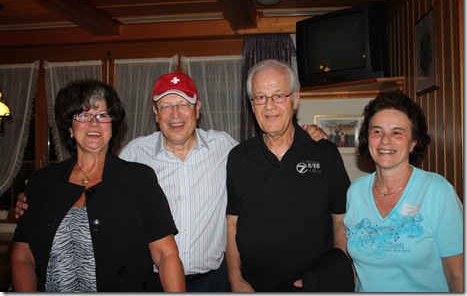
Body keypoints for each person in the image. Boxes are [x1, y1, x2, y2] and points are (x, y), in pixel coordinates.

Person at [15, 72, 327, 292]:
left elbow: (269, 151)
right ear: (155, 113)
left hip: (216, 282)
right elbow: (89, 180)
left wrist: (306, 136)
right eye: (166, 105)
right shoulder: (134, 157)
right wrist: (34, 201)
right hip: (148, 281)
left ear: (198, 109)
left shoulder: (227, 148)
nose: (175, 113)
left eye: (183, 104)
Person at [11, 79, 185, 292]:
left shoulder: (139, 179)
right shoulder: (42, 182)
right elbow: (23, 257)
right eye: (83, 115)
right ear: (70, 128)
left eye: (103, 116)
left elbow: (166, 255)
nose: (94, 123)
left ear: (112, 128)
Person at [225, 59, 354, 292]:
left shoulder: (325, 153)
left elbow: (341, 221)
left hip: (314, 287)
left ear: (295, 99)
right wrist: (236, 279)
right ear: (252, 105)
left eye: (278, 96)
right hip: (254, 288)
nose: (269, 106)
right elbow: (232, 224)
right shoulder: (238, 157)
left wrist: (334, 273)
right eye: (260, 97)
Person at [343, 90, 463, 292]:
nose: (385, 140)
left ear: (413, 142)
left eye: (397, 132)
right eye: (377, 131)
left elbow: (457, 275)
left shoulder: (438, 192)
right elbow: (356, 268)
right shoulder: (355, 192)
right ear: (367, 137)